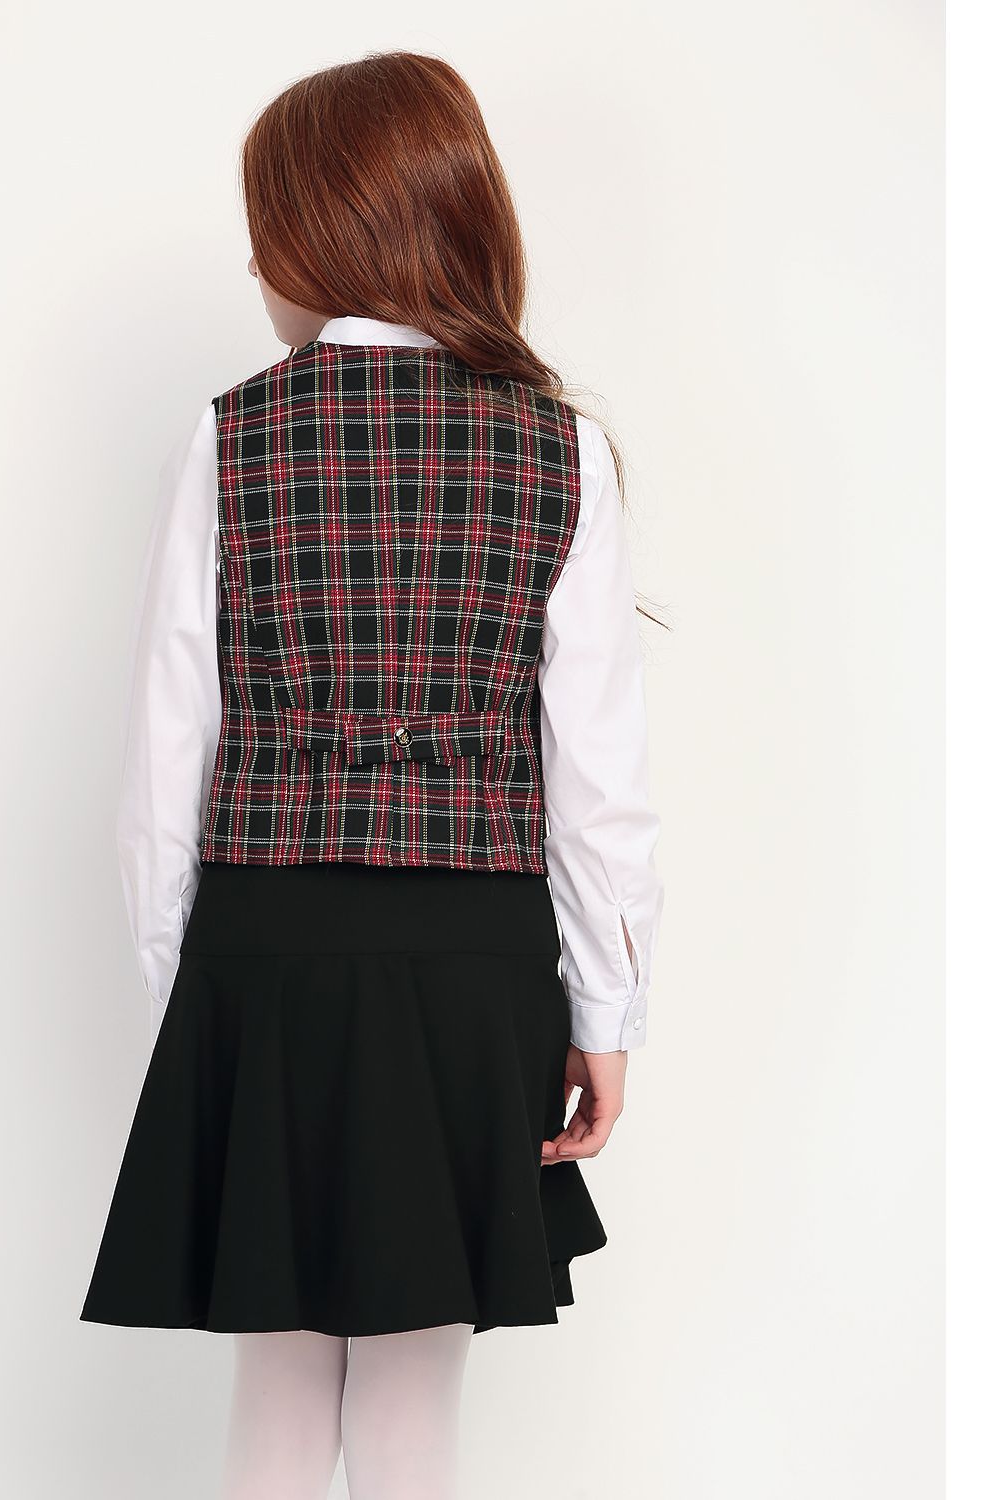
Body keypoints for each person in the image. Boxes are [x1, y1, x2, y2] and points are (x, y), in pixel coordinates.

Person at [80, 49, 666, 1500]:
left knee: (277, 1385)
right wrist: (607, 1008)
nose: (257, 268)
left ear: (327, 232)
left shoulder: (231, 433)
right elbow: (597, 778)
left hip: (266, 944)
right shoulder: (560, 448)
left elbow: (167, 749)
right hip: (476, 962)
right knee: (412, 1398)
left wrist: (186, 986)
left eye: (266, 233)